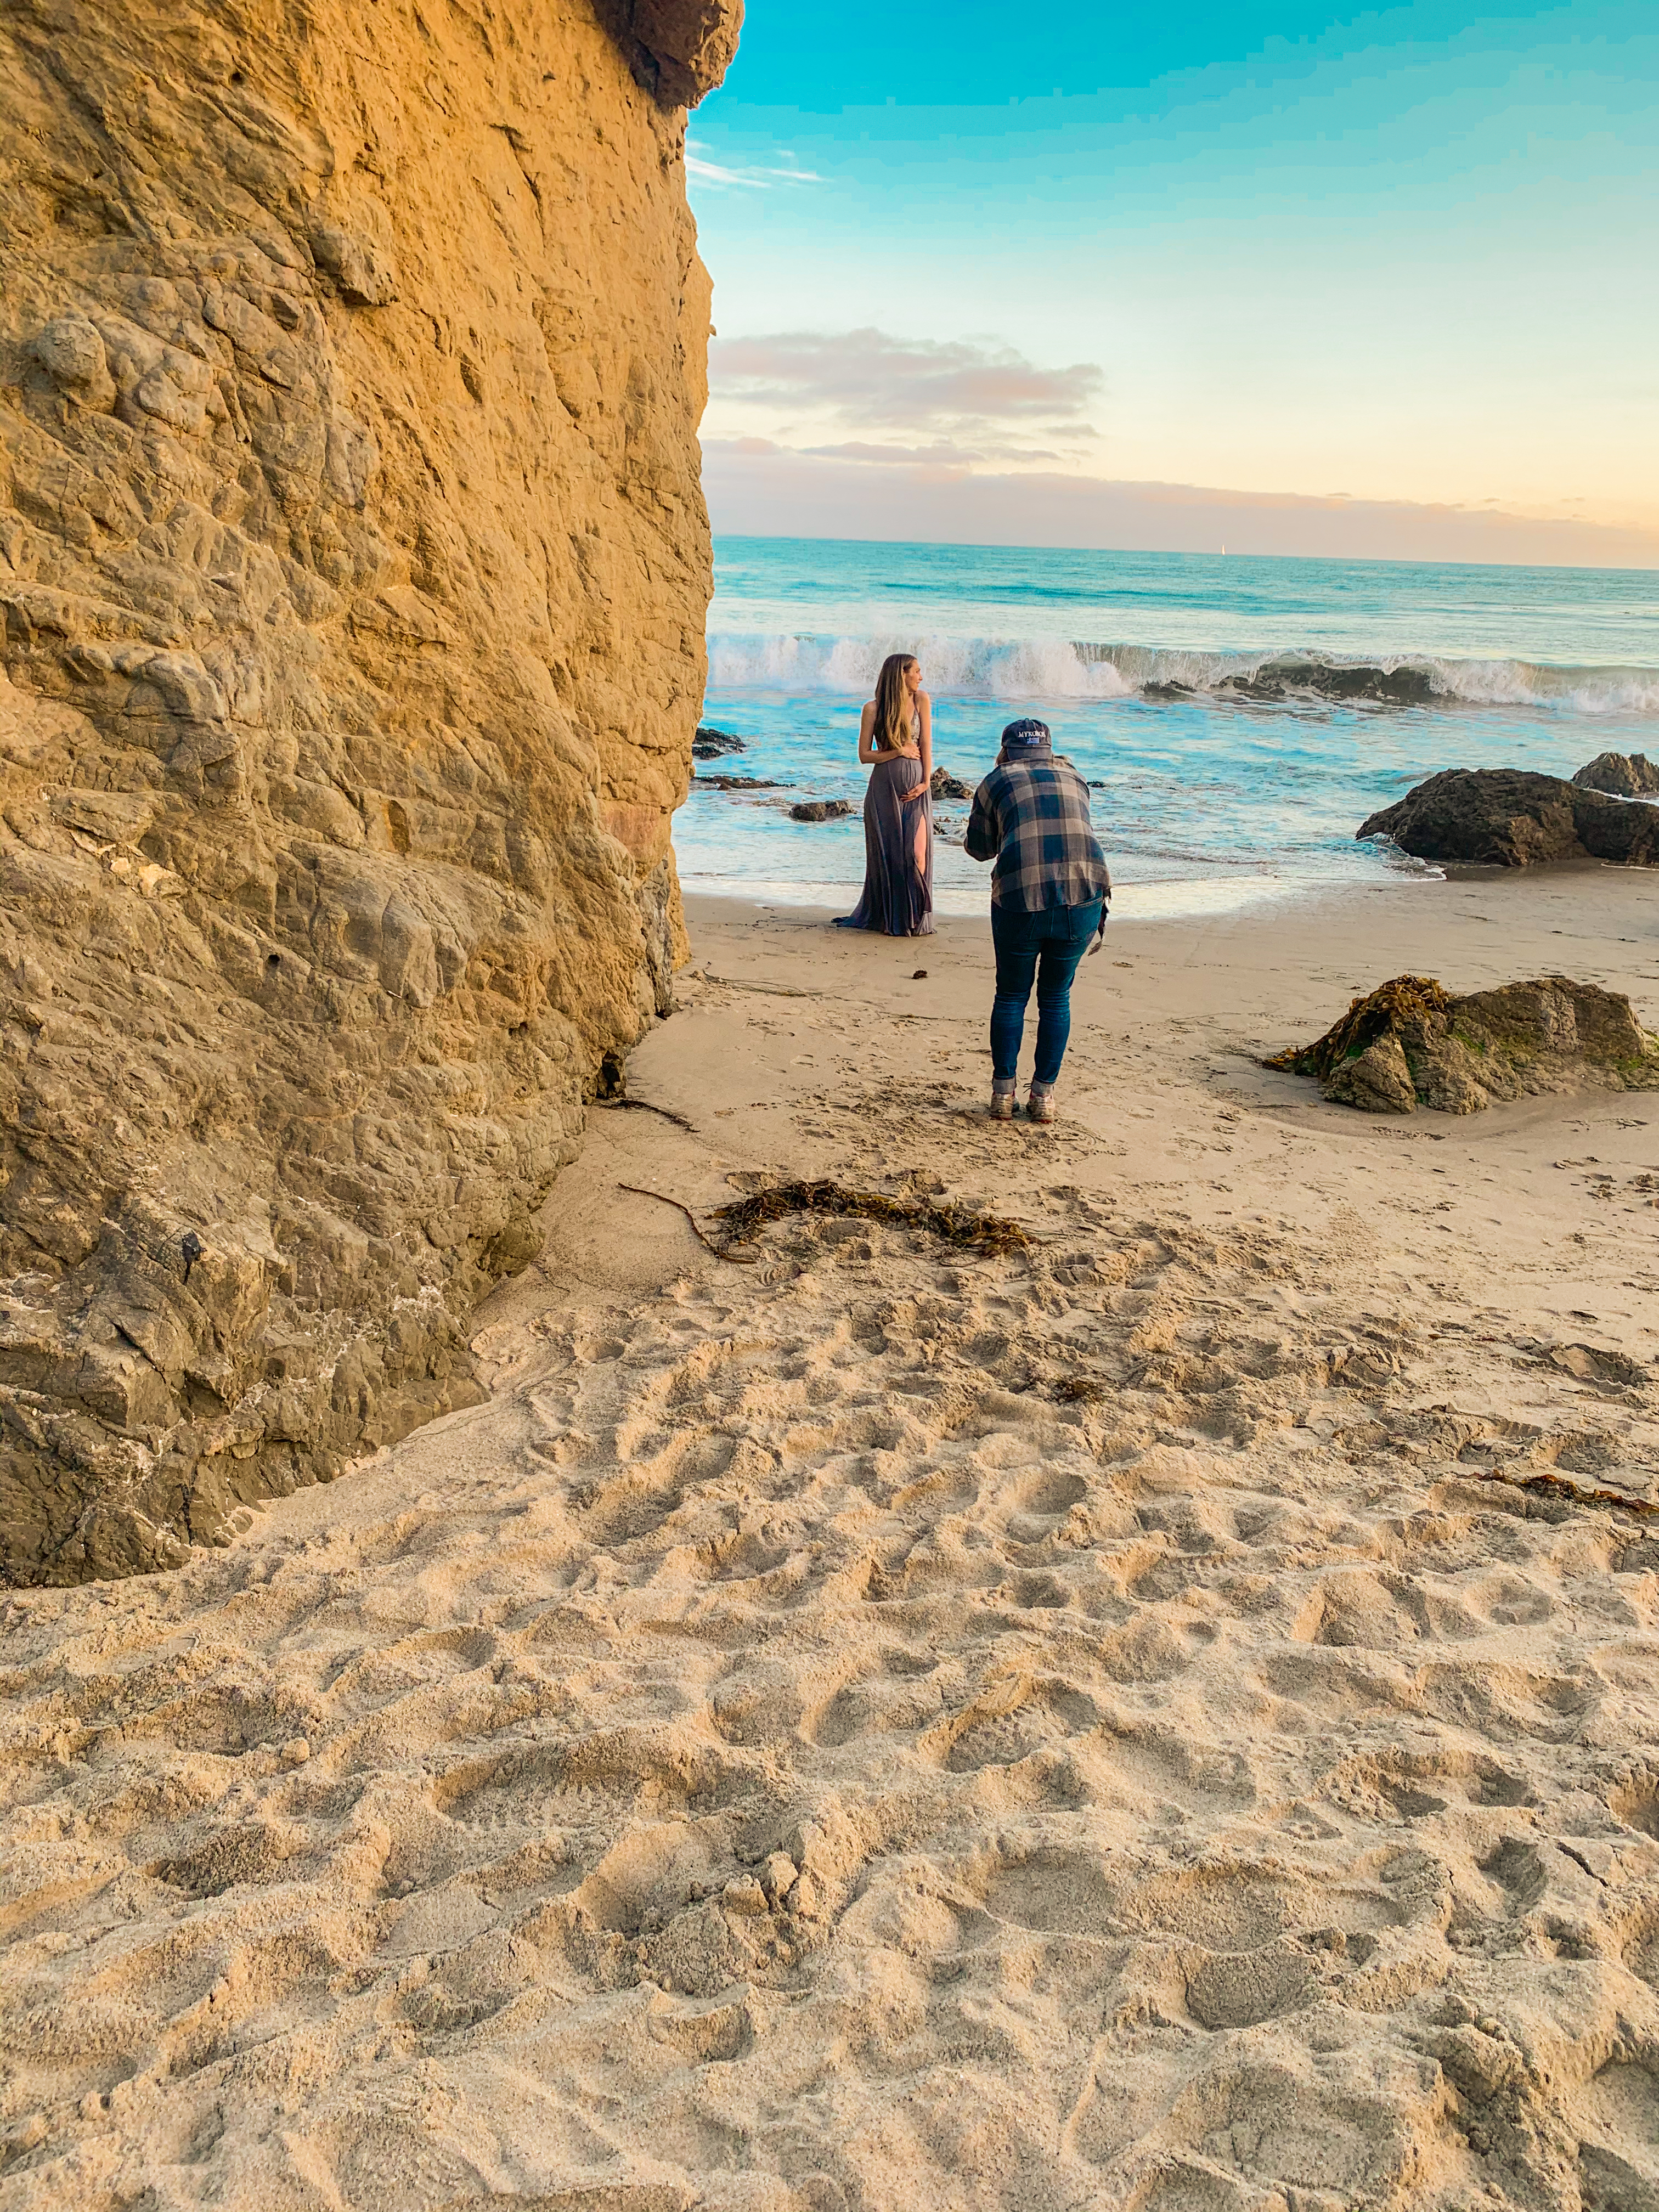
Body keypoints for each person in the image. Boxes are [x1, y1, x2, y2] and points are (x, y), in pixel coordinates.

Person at [964, 716, 1111, 1124]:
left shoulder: (996, 780)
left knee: (1011, 995)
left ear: (1007, 750)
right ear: (1047, 749)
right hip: (1085, 893)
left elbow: (978, 849)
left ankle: (1002, 1095)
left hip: (1021, 895)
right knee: (1055, 998)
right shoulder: (1075, 776)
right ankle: (1043, 1098)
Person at [835, 651, 933, 937]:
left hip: (917, 789)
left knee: (917, 855)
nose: (920, 676)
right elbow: (864, 755)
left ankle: (915, 916)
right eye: (916, 671)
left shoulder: (921, 700)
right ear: (901, 674)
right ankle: (893, 919)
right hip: (884, 790)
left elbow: (926, 742)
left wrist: (927, 781)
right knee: (891, 856)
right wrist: (897, 751)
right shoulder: (873, 709)